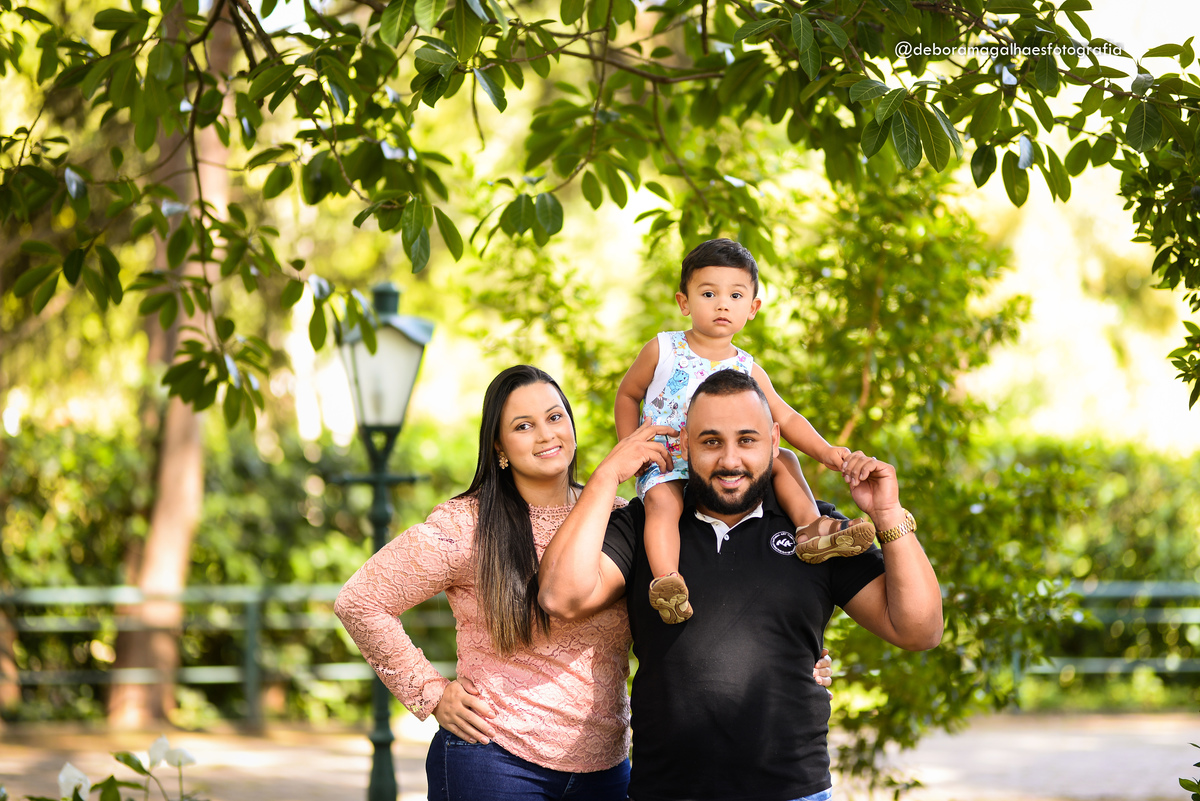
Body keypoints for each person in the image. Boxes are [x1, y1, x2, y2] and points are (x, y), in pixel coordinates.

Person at [334, 365, 835, 801]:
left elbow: (702, 613)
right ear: (499, 446)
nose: (546, 434)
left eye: (555, 417)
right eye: (523, 425)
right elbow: (361, 600)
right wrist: (431, 692)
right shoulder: (466, 525)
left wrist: (794, 661)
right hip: (495, 758)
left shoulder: (620, 519)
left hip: (605, 769)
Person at [540, 369, 943, 801]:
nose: (730, 460)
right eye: (711, 441)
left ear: (774, 438)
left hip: (793, 791)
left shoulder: (817, 535)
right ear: (686, 443)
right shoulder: (647, 525)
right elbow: (560, 597)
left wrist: (888, 513)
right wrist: (605, 477)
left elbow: (919, 629)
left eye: (747, 440)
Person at [614, 238, 875, 624]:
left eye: (735, 295)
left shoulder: (748, 368)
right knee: (661, 504)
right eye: (708, 293)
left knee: (782, 457)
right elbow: (628, 394)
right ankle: (667, 581)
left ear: (752, 308)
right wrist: (629, 446)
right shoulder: (663, 349)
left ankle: (810, 529)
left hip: (728, 463)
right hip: (667, 457)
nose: (722, 304)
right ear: (684, 302)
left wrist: (825, 451)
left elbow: (783, 416)